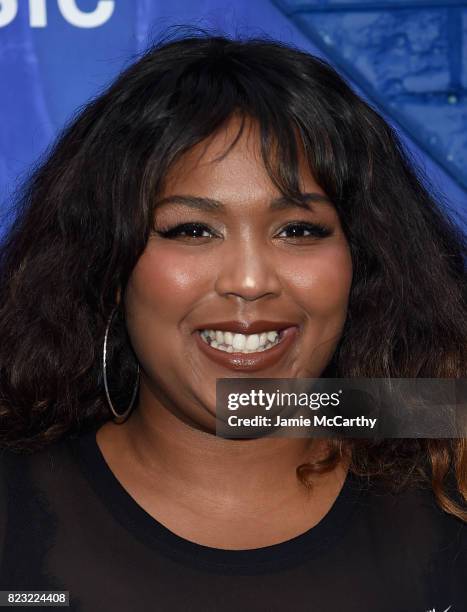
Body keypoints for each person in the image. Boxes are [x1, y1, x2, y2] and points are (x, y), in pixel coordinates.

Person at [0, 28, 465, 612]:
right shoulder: (15, 506)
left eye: (298, 230)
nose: (249, 279)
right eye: (192, 230)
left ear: (363, 263)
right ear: (108, 264)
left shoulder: (450, 488)